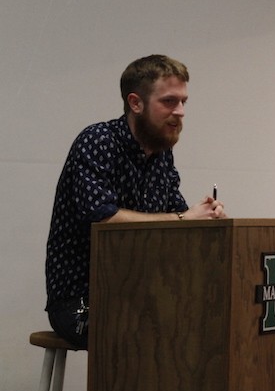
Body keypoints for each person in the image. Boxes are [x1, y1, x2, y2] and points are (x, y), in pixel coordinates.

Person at [44, 54, 226, 348]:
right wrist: (184, 219)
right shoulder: (97, 141)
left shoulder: (161, 154)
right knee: (147, 333)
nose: (180, 112)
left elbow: (178, 217)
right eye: (169, 101)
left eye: (183, 102)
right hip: (83, 298)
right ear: (135, 103)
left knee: (212, 323)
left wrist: (205, 217)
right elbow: (102, 218)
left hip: (143, 292)